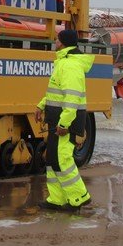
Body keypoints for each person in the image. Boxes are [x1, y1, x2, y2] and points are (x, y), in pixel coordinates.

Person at [35, 29, 94, 212]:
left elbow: (72, 98)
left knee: (63, 159)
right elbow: (57, 91)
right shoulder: (63, 62)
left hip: (66, 122)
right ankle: (57, 199)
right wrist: (41, 105)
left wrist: (64, 124)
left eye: (57, 39)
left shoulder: (70, 65)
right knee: (52, 159)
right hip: (57, 118)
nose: (55, 42)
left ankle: (79, 196)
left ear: (63, 42)